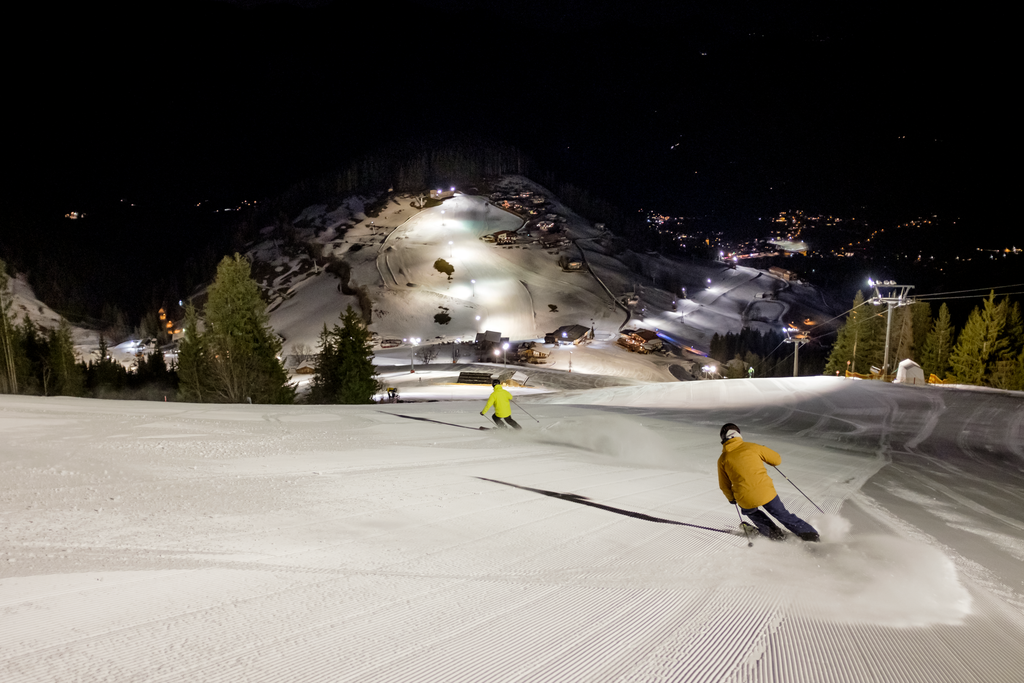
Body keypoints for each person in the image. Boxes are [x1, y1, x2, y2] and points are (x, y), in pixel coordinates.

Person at [717, 423, 819, 542]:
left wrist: (731, 498)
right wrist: (764, 451)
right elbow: (777, 460)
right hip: (766, 492)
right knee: (781, 514)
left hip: (745, 497)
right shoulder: (753, 447)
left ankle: (774, 534)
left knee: (751, 512)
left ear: (723, 439)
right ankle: (809, 534)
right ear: (738, 434)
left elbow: (724, 485)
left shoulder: (723, 459)